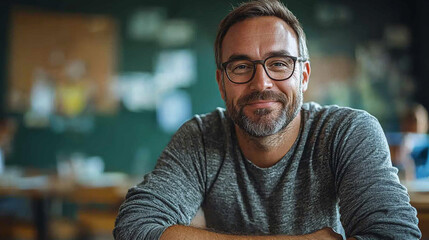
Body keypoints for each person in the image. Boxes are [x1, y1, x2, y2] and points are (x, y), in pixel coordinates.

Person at [114, 0, 421, 239]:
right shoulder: (201, 136)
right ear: (221, 83)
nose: (261, 83)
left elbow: (393, 235)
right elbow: (134, 227)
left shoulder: (346, 132)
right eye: (241, 67)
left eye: (278, 63)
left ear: (303, 76)